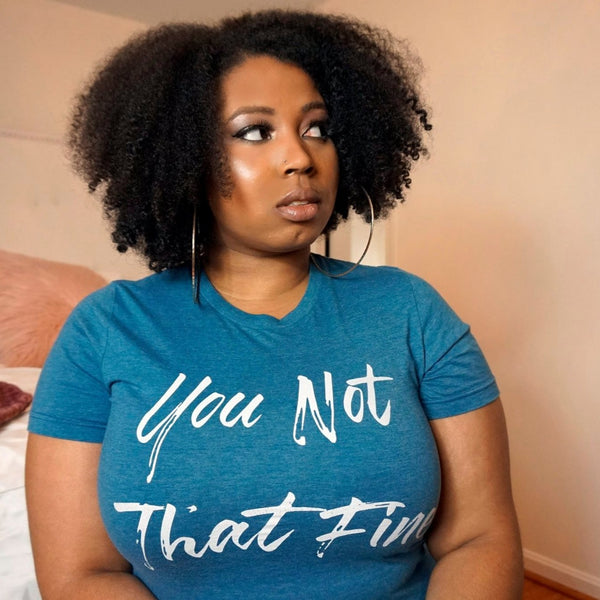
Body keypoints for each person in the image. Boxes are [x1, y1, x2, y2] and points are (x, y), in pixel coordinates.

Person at [25, 10, 523, 600]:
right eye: (256, 132)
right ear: (186, 158)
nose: (302, 157)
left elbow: (479, 539)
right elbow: (84, 575)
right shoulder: (104, 333)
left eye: (318, 128)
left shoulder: (411, 312)